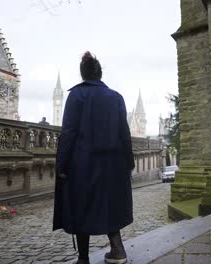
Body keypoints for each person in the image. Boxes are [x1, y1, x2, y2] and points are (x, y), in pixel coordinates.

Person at [53, 52, 135, 264]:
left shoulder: (77, 96)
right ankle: (117, 250)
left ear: (83, 75)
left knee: (82, 205)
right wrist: (129, 162)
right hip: (113, 164)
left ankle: (83, 258)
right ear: (99, 74)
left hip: (83, 163)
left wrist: (61, 164)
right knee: (110, 204)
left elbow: (68, 133)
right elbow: (124, 133)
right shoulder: (116, 97)